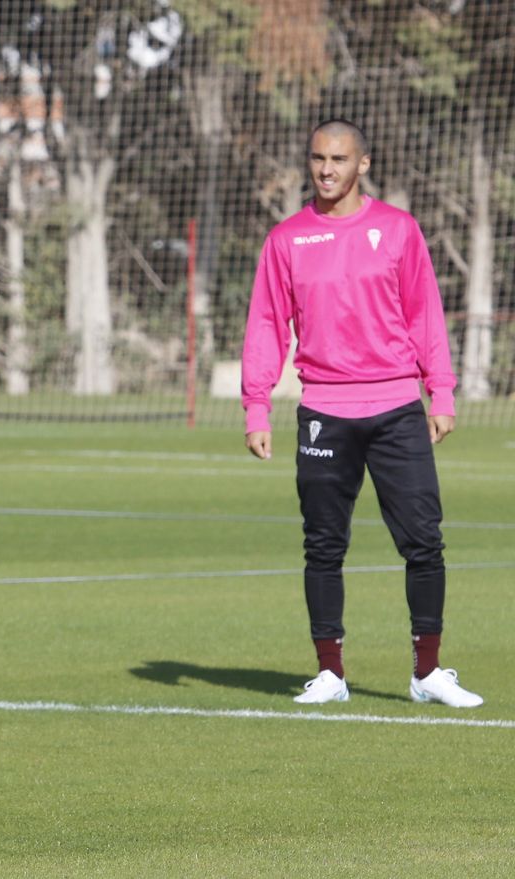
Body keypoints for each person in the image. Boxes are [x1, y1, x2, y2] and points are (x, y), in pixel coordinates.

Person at [241, 118, 481, 708]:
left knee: (424, 541)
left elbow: (425, 312)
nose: (327, 169)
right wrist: (257, 406)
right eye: (318, 158)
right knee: (323, 545)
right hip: (324, 410)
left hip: (398, 406)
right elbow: (267, 325)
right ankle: (330, 672)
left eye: (339, 159)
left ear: (363, 164)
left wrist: (440, 392)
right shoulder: (287, 239)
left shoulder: (398, 230)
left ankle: (428, 673)